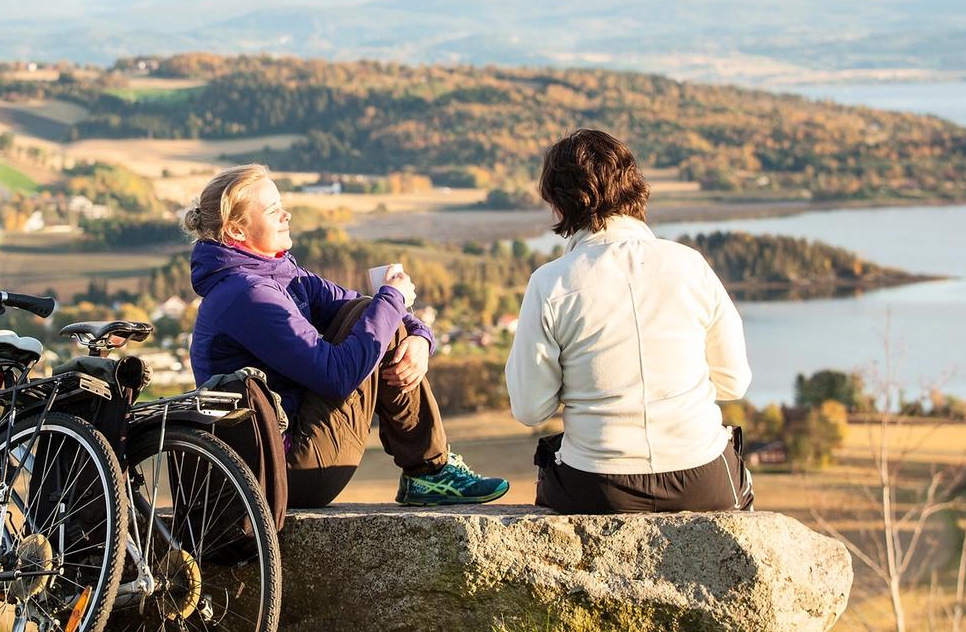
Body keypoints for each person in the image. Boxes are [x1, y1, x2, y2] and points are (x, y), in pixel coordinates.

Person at [186, 164, 509, 507]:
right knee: (375, 314)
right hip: (284, 473)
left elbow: (359, 306)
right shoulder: (246, 294)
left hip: (287, 459)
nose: (287, 214)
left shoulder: (279, 275)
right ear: (236, 229)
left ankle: (429, 471)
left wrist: (419, 337)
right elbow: (336, 376)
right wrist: (394, 298)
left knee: (372, 312)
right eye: (273, 210)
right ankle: (429, 471)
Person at [506, 129, 755, 514]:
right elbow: (734, 382)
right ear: (635, 187)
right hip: (703, 479)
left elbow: (529, 409)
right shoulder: (690, 265)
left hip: (597, 486)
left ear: (559, 204)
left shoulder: (550, 283)